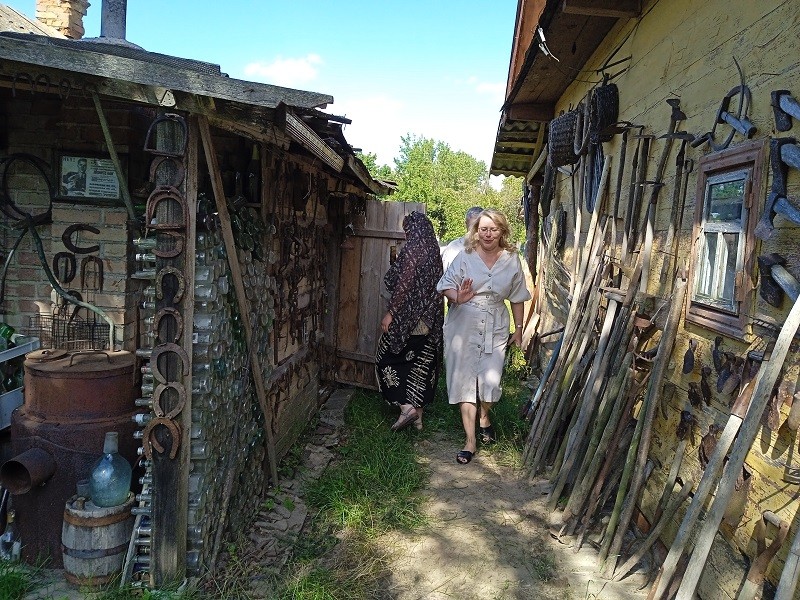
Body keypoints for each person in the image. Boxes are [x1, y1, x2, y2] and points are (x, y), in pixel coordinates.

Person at [437, 208, 531, 464]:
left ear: (502, 231)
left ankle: (484, 415)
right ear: (476, 231)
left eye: (493, 229)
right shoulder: (465, 256)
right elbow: (444, 285)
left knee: (491, 384)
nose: (488, 234)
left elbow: (518, 295)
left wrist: (519, 329)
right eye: (483, 229)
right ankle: (470, 441)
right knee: (464, 381)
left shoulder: (512, 258)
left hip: (495, 324)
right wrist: (459, 297)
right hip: (463, 322)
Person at [376, 211, 444, 432]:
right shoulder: (434, 251)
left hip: (409, 321)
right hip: (429, 321)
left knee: (385, 360)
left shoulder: (413, 249)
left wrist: (391, 313)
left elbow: (404, 285)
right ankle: (419, 422)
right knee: (420, 367)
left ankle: (406, 408)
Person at [441, 205, 483, 272]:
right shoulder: (453, 249)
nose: (476, 230)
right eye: (473, 226)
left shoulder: (492, 249)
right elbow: (447, 278)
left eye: (480, 226)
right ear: (466, 224)